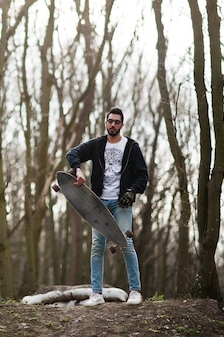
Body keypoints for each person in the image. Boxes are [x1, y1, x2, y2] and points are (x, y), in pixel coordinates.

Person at [66, 106, 148, 306]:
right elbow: (72, 153)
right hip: (98, 204)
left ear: (122, 125)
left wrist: (132, 191)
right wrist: (78, 171)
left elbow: (143, 175)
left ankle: (135, 291)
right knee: (97, 247)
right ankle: (96, 294)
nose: (112, 124)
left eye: (116, 122)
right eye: (110, 121)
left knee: (126, 244)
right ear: (106, 122)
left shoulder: (131, 147)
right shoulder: (97, 145)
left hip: (121, 204)